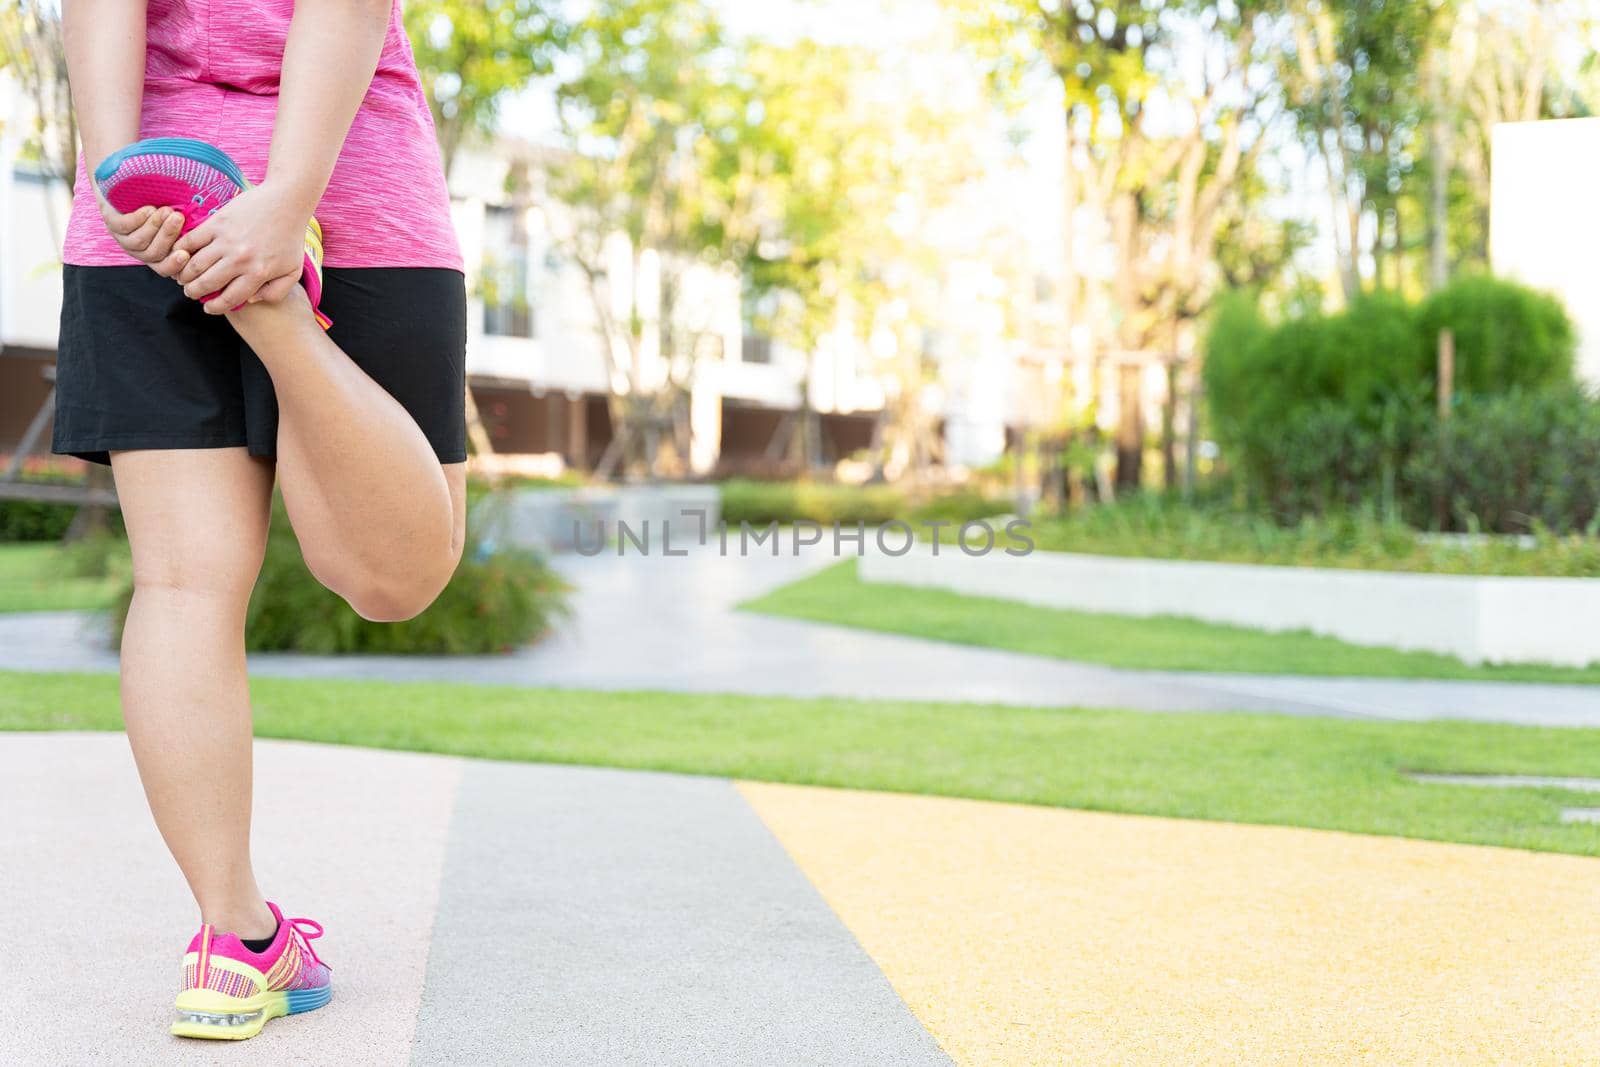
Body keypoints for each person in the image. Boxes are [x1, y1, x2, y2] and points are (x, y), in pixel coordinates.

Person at [58, 0, 466, 1040]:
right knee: (393, 576)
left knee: (183, 583)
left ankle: (232, 940)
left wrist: (120, 177)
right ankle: (278, 306)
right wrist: (284, 201)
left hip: (153, 195)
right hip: (348, 176)